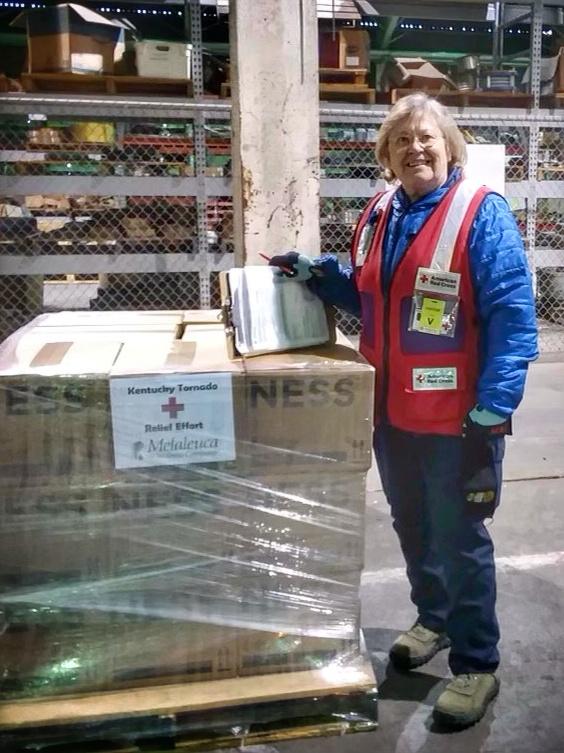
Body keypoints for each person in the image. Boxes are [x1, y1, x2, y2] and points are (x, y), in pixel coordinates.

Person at [269, 92, 538, 729]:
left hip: (460, 421)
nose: (416, 150)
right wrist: (317, 275)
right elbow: (372, 301)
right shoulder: (381, 213)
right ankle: (435, 619)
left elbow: (512, 316)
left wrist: (494, 406)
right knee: (413, 528)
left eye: (427, 139)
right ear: (386, 155)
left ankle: (477, 664)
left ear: (450, 146)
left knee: (461, 539)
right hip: (392, 415)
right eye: (402, 141)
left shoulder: (481, 212)